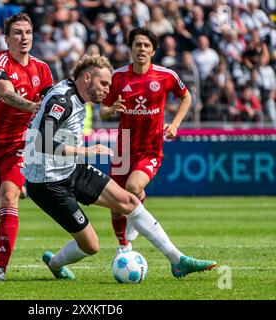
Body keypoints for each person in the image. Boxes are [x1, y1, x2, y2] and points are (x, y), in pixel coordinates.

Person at [22, 54, 216, 280]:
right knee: (91, 246)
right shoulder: (62, 99)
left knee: (129, 201)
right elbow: (42, 141)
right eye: (103, 83)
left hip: (71, 168)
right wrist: (86, 151)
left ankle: (178, 261)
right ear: (86, 77)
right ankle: (55, 263)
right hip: (47, 183)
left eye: (109, 85)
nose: (107, 90)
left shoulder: (78, 98)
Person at [0, 13, 53, 281]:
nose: (24, 38)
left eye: (28, 32)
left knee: (9, 200)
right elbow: (5, 93)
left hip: (20, 144)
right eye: (18, 33)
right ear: (7, 38)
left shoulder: (42, 69)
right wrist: (32, 106)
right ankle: (17, 186)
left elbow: (51, 109)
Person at [99, 28, 192, 253]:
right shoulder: (118, 77)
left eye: (146, 45)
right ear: (130, 49)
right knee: (115, 204)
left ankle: (136, 212)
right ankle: (123, 246)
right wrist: (111, 109)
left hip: (150, 147)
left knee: (132, 187)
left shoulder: (166, 75)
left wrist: (175, 124)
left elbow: (186, 96)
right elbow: (102, 112)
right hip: (123, 147)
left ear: (153, 50)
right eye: (138, 45)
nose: (142, 49)